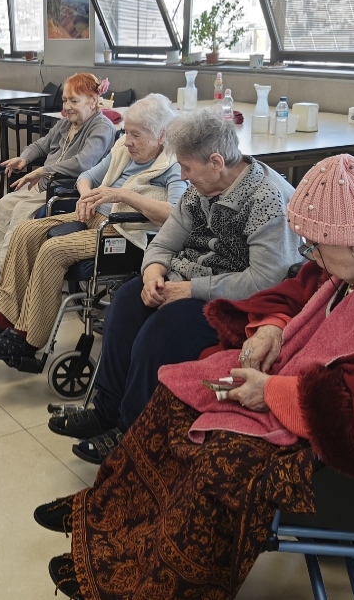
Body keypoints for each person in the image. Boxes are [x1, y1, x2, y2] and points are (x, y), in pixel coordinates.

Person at [35, 154, 354, 600]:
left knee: (225, 459)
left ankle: (148, 580)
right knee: (180, 391)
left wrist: (272, 392)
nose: (311, 256)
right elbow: (303, 287)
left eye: (316, 246)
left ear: (353, 240)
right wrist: (272, 325)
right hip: (315, 379)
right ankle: (111, 515)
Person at [49, 108, 301, 463]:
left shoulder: (265, 198)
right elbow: (164, 242)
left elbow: (264, 279)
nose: (182, 176)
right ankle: (105, 410)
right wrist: (153, 272)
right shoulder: (200, 189)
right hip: (188, 280)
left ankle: (130, 432)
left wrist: (190, 289)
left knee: (162, 331)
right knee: (126, 301)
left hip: (236, 300)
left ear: (216, 162)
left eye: (187, 167)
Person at [0, 94, 186, 362]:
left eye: (136, 135)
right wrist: (86, 196)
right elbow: (87, 176)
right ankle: (1, 315)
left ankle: (28, 337)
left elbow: (174, 214)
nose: (127, 140)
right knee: (26, 231)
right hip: (95, 216)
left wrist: (123, 195)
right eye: (127, 132)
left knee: (53, 250)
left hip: (124, 233)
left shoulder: (172, 164)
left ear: (161, 135)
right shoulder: (123, 150)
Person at [0, 73, 115, 294]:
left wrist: (43, 170)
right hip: (47, 187)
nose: (67, 107)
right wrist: (24, 159)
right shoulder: (65, 124)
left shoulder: (101, 127)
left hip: (68, 191)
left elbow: (83, 163)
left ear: (93, 101)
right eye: (65, 100)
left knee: (21, 210)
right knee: (6, 203)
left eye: (74, 101)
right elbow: (41, 145)